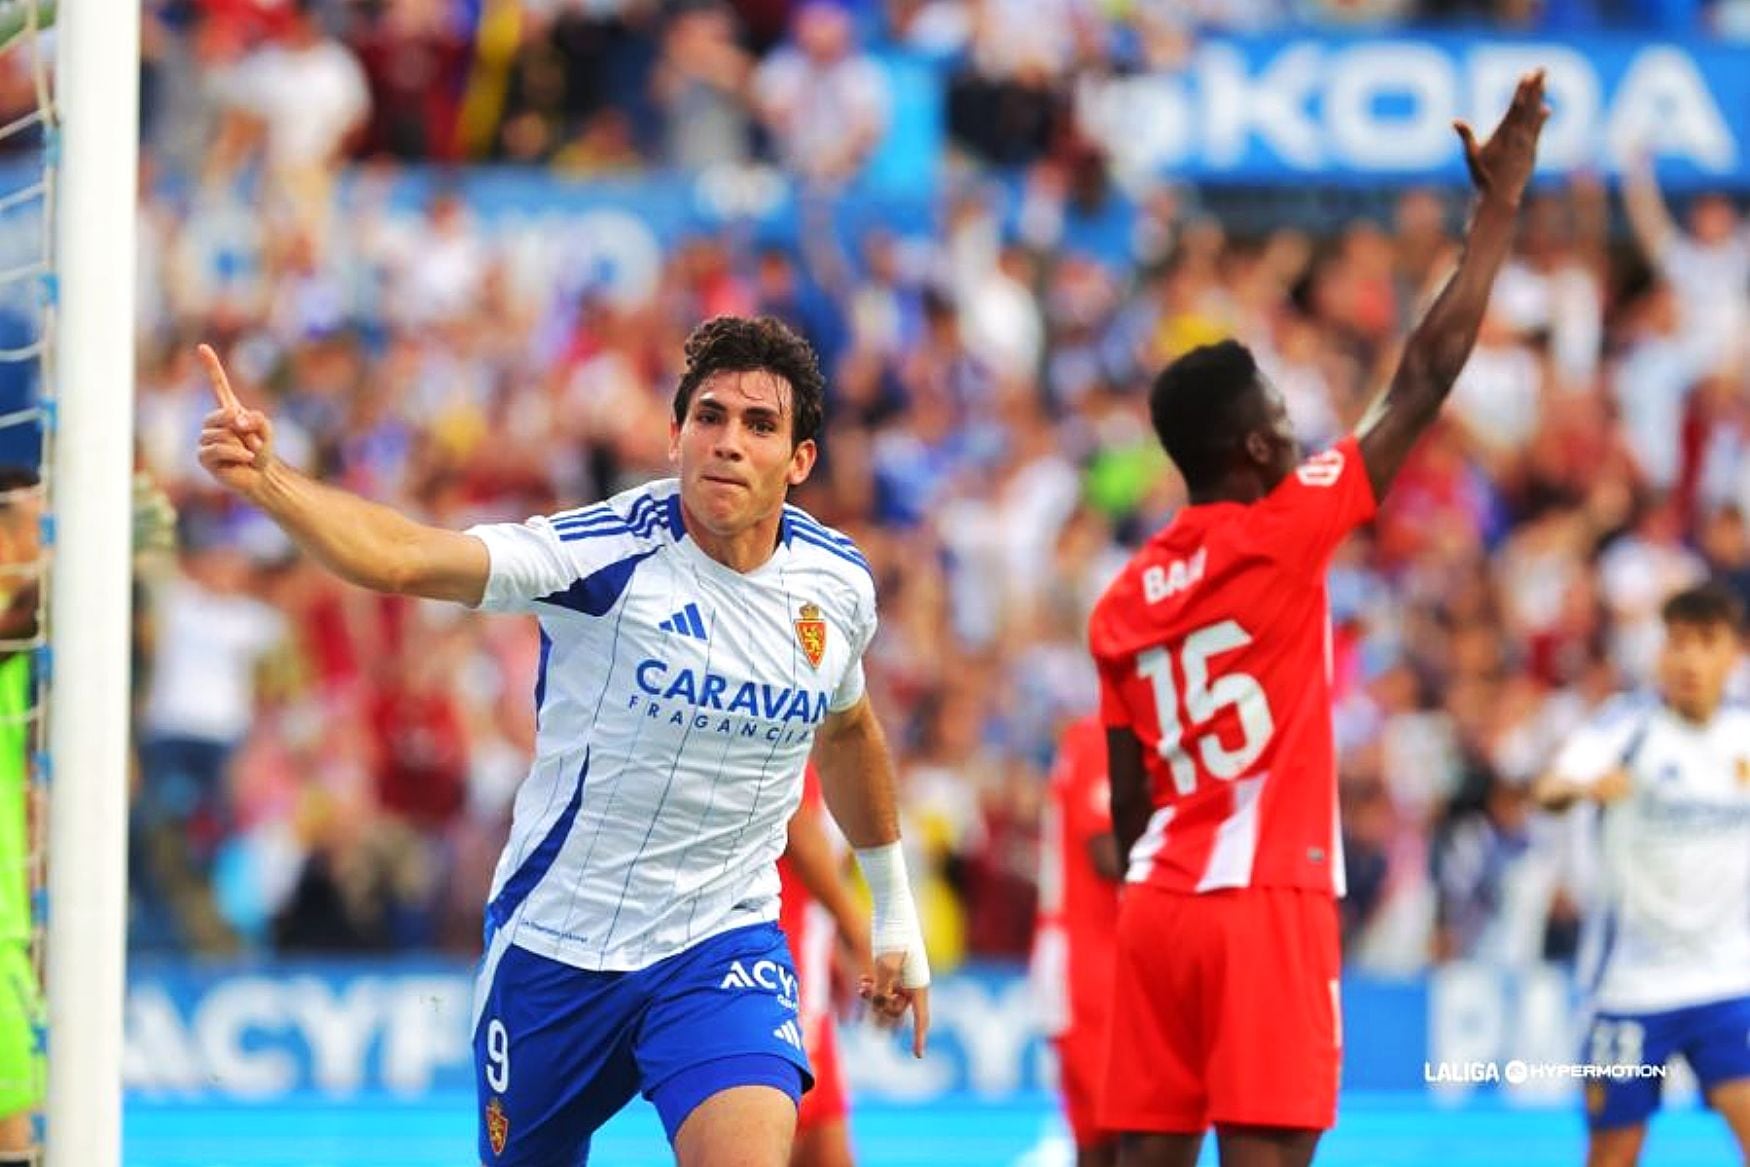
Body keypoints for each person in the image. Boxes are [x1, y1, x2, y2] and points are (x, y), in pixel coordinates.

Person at [195, 315, 930, 1167]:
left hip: (720, 943)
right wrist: (271, 480)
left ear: (800, 460)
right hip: (558, 949)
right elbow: (404, 558)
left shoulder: (836, 586)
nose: (728, 442)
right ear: (673, 436)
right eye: (710, 417)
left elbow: (848, 730)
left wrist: (893, 910)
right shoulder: (601, 556)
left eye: (759, 425)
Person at [1086, 73, 1547, 1167]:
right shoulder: (1286, 525)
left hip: (1158, 906)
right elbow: (1425, 374)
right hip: (1265, 899)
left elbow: (1128, 801)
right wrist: (1498, 206)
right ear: (1252, 451)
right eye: (1285, 421)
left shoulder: (1118, 600)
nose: (1301, 435)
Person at [1532, 583, 1750, 1167]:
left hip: (1727, 981)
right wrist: (1580, 786)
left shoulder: (1745, 734)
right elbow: (1549, 787)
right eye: (1677, 643)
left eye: (1706, 643)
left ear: (1734, 653)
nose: (1689, 659)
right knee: (1612, 1154)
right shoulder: (1626, 727)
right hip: (1631, 985)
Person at [1030, 713, 1121, 1167]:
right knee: (1122, 1127)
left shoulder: (1096, 735)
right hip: (1087, 958)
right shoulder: (1102, 738)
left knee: (1103, 1137)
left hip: (1100, 953)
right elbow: (1105, 851)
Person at [777, 763, 869, 1167]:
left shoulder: (817, 758)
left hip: (808, 975)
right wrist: (860, 935)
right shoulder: (787, 740)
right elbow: (801, 840)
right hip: (780, 973)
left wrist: (830, 947)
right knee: (776, 1139)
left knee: (824, 1144)